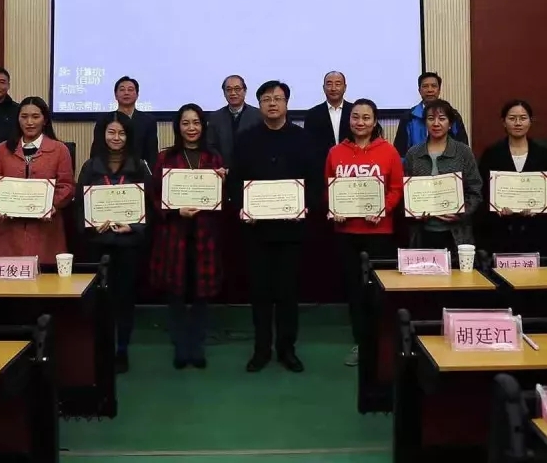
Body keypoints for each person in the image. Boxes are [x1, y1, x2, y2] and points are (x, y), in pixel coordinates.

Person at [229, 81, 315, 373]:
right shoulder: (246, 139)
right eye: (267, 99)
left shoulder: (303, 138)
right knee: (260, 294)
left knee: (289, 294)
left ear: (287, 103)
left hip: (292, 231)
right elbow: (235, 181)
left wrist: (305, 207)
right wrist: (243, 208)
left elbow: (314, 181)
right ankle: (261, 350)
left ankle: (287, 349)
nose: (273, 104)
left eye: (278, 98)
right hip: (257, 231)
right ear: (260, 105)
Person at [325, 98, 404, 367]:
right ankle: (361, 343)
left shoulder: (389, 151)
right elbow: (328, 188)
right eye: (355, 117)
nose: (360, 122)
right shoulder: (335, 152)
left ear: (375, 121)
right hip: (346, 233)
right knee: (354, 292)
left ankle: (381, 345)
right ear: (349, 120)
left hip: (379, 232)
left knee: (377, 292)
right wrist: (333, 208)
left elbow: (396, 189)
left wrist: (384, 208)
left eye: (366, 117)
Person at [151, 104, 225, 369]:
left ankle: (197, 344)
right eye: (185, 123)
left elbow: (221, 200)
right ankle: (181, 346)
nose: (191, 128)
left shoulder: (213, 157)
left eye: (196, 123)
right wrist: (175, 210)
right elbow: (154, 196)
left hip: (205, 234)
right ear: (178, 127)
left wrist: (222, 182)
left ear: (203, 126)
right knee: (177, 293)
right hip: (175, 235)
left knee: (201, 294)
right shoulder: (165, 157)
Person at [77, 112, 151, 374]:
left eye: (121, 133)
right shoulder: (90, 166)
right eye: (111, 132)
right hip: (99, 244)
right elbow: (79, 206)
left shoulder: (139, 166)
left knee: (125, 300)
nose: (116, 138)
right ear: (102, 135)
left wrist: (134, 226)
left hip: (128, 245)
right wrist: (90, 224)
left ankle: (122, 350)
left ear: (128, 136)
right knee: (100, 301)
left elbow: (150, 206)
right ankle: (101, 348)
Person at [0, 96, 75, 263]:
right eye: (24, 117)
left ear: (45, 120)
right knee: (7, 277)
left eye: (35, 116)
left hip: (45, 230)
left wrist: (51, 205)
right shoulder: (3, 149)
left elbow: (66, 186)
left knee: (44, 277)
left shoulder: (59, 150)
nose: (29, 122)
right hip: (8, 230)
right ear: (18, 119)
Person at [477, 100, 547, 253]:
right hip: (499, 231)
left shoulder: (542, 153)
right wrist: (495, 208)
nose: (518, 123)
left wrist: (538, 208)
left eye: (523, 118)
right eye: (512, 118)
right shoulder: (492, 153)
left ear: (530, 121)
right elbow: (483, 189)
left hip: (534, 231)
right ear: (504, 122)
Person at [404, 99, 483, 249]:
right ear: (425, 123)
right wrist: (413, 211)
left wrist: (461, 212)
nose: (436, 123)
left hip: (456, 234)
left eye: (442, 118)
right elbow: (405, 193)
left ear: (450, 123)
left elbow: (475, 190)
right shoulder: (413, 154)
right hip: (423, 232)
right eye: (431, 118)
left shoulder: (463, 152)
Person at [394, 71, 469, 157]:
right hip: (416, 163)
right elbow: (400, 153)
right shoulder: (409, 117)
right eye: (425, 86)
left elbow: (463, 150)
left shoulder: (452, 115)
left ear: (439, 90)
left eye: (434, 86)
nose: (430, 90)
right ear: (419, 91)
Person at [94, 76, 159, 171]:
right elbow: (96, 151)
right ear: (115, 95)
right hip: (108, 172)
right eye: (122, 90)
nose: (126, 93)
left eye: (130, 89)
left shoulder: (148, 121)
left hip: (139, 172)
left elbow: (152, 153)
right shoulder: (104, 120)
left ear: (137, 95)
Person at [303, 71, 352, 178]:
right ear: (323, 88)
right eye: (329, 84)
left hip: (351, 168)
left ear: (345, 87)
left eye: (338, 84)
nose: (333, 88)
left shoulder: (354, 112)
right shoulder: (312, 114)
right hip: (322, 170)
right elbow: (309, 147)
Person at [206, 75, 263, 166]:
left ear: (245, 91)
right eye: (228, 90)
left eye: (237, 89)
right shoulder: (215, 117)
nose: (233, 93)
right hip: (223, 169)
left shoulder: (259, 115)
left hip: (252, 170)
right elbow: (211, 145)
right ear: (224, 93)